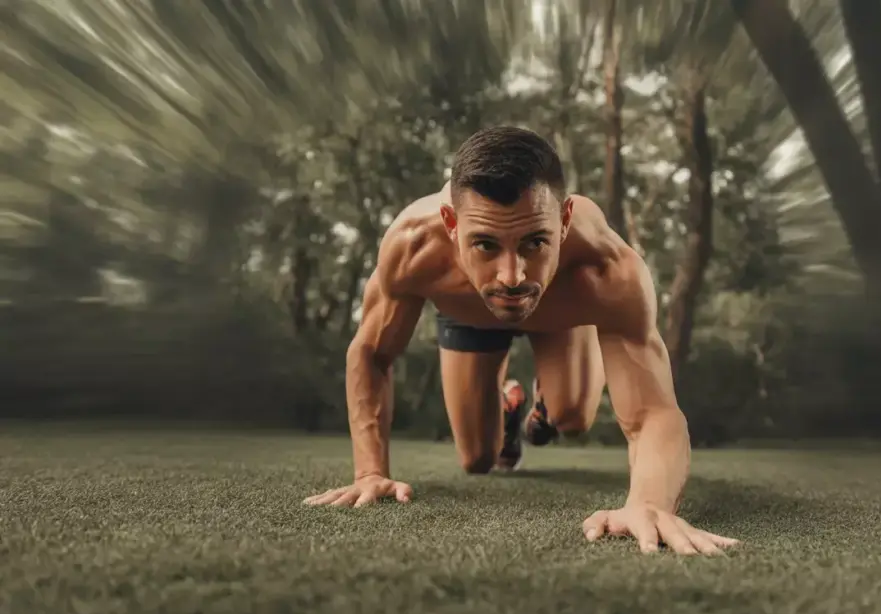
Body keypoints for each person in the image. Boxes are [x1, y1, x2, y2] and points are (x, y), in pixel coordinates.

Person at [303, 126, 739, 556]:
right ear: (451, 225)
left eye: (535, 242)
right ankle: (511, 410)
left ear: (564, 220)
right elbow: (371, 353)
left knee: (571, 418)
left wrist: (650, 503)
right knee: (477, 460)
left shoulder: (607, 270)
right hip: (467, 312)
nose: (512, 276)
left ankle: (549, 398)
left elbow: (653, 412)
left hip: (560, 310)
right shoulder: (412, 247)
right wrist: (370, 472)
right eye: (485, 245)